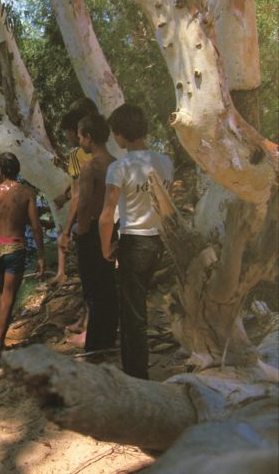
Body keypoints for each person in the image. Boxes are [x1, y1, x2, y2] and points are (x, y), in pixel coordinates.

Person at [100, 103, 173, 380]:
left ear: (120, 134)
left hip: (134, 243)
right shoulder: (165, 163)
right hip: (157, 243)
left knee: (132, 315)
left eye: (114, 134)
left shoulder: (120, 168)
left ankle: (136, 375)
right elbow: (167, 206)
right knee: (138, 307)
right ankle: (136, 369)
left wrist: (105, 247)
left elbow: (107, 216)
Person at [0, 152, 45, 368]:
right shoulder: (27, 192)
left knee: (1, 294)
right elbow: (35, 226)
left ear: (0, 171)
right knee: (8, 297)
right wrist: (41, 255)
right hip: (15, 247)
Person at [73, 113, 118, 354]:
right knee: (109, 285)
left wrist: (80, 230)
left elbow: (84, 203)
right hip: (113, 230)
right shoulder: (116, 163)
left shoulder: (90, 167)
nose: (79, 141)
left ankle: (95, 343)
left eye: (80, 137)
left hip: (92, 231)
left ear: (88, 137)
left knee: (92, 287)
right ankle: (109, 337)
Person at [52, 99, 96, 288]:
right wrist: (65, 194)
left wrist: (69, 230)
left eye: (67, 133)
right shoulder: (99, 151)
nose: (67, 137)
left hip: (87, 218)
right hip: (105, 217)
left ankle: (88, 316)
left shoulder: (76, 156)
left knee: (88, 273)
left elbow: (79, 191)